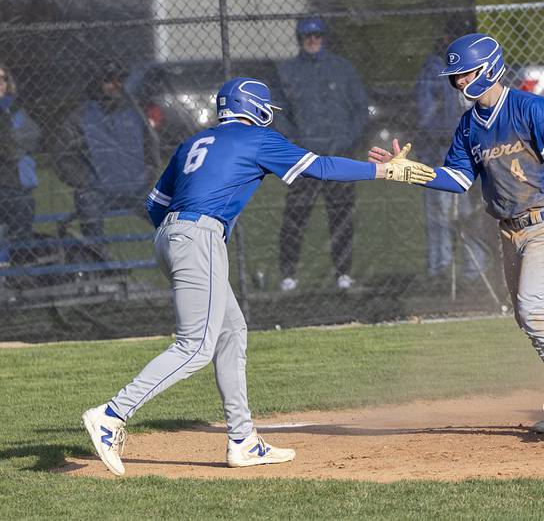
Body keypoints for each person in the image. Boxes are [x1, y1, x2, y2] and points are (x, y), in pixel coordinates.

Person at [81, 77, 435, 476]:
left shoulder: (192, 143)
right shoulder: (255, 139)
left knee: (231, 331)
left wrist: (182, 231)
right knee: (196, 347)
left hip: (170, 236)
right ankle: (111, 415)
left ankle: (243, 440)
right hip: (199, 235)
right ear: (256, 108)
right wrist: (383, 172)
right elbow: (319, 167)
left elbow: (154, 205)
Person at [369, 33, 544, 432]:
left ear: (489, 68)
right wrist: (408, 171)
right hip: (509, 230)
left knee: (533, 308)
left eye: (466, 73)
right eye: (456, 77)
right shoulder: (469, 126)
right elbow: (457, 179)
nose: (460, 82)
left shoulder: (532, 107)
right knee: (525, 314)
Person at [276, 17, 369, 292]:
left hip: (338, 156)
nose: (313, 40)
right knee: (295, 217)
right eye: (307, 36)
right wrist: (296, 143)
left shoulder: (342, 69)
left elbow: (360, 109)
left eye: (317, 35)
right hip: (304, 160)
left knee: (341, 216)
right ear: (300, 39)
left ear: (324, 37)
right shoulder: (287, 72)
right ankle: (288, 274)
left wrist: (347, 140)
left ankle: (344, 273)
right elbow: (280, 114)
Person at [415, 17, 489, 289]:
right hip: (440, 154)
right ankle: (440, 270)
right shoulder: (433, 69)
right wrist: (450, 127)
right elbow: (425, 113)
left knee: (473, 215)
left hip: (476, 156)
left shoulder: (480, 69)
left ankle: (475, 271)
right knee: (440, 216)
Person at [55, 61, 156, 240]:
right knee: (87, 204)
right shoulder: (81, 116)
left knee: (172, 219)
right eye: (109, 80)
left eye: (121, 80)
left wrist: (145, 175)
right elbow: (62, 157)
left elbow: (152, 146)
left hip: (138, 189)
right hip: (97, 192)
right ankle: (100, 261)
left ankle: (182, 259)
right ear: (97, 83)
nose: (116, 85)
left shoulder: (134, 113)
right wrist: (87, 182)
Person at [0, 63, 41, 268]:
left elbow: (31, 138)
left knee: (22, 209)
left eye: (3, 78)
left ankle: (20, 271)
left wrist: (8, 141)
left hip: (16, 183)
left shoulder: (15, 111)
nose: (0, 84)